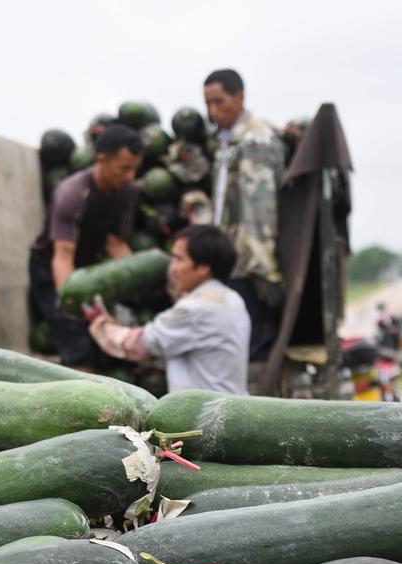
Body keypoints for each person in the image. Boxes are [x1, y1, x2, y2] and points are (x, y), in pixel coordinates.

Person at [84, 224, 250, 394]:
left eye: (179, 259)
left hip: (203, 415)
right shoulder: (233, 299)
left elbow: (141, 345)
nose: (171, 267)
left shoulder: (195, 308)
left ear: (203, 268)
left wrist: (102, 324)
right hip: (230, 407)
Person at [29, 124, 143, 369]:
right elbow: (63, 255)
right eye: (124, 168)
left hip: (87, 267)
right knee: (76, 342)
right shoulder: (71, 194)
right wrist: (70, 303)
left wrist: (137, 280)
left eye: (135, 168)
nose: (130, 176)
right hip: (52, 268)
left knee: (102, 344)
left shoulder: (127, 191)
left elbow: (116, 244)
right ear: (101, 159)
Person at [203, 68, 285, 361]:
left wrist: (261, 271)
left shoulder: (255, 140)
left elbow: (258, 213)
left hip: (247, 266)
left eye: (220, 102)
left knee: (252, 355)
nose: (213, 111)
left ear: (240, 98)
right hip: (232, 261)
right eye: (208, 103)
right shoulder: (228, 140)